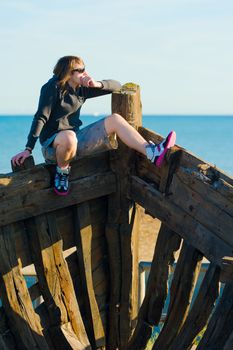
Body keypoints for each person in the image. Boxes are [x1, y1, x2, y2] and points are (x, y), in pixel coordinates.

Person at [12, 55, 176, 195]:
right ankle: (62, 172)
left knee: (115, 119)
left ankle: (151, 152)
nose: (85, 73)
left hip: (74, 142)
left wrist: (95, 84)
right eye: (81, 70)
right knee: (69, 137)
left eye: (85, 69)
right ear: (69, 73)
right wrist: (28, 149)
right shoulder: (52, 88)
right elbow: (40, 117)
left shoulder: (81, 89)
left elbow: (117, 85)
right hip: (52, 148)